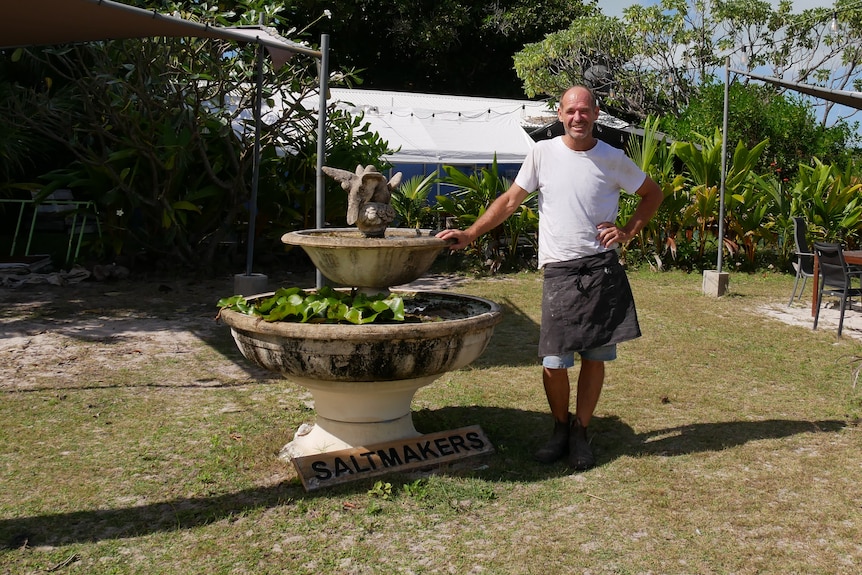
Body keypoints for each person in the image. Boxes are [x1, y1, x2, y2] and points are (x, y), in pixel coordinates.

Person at [436, 85, 663, 471]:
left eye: (585, 111)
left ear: (595, 114)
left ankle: (581, 432)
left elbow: (652, 195)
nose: (578, 117)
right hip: (559, 272)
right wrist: (471, 233)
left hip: (601, 269)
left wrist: (627, 231)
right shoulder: (542, 153)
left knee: (594, 357)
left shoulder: (613, 158)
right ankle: (560, 427)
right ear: (560, 114)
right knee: (554, 361)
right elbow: (510, 201)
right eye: (571, 111)